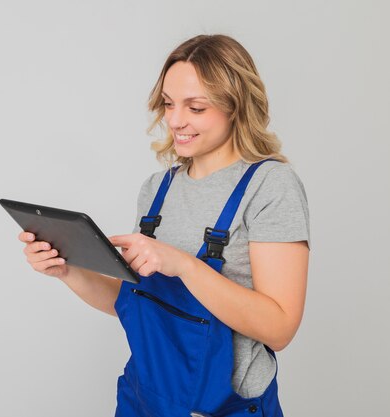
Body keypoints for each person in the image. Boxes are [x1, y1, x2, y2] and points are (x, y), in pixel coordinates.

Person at [18, 34, 309, 417]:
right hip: (145, 400)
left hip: (223, 408)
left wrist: (185, 265)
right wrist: (67, 270)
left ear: (235, 106)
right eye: (169, 104)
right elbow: (134, 301)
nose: (175, 120)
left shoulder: (270, 186)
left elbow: (279, 327)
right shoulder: (157, 189)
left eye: (196, 107)